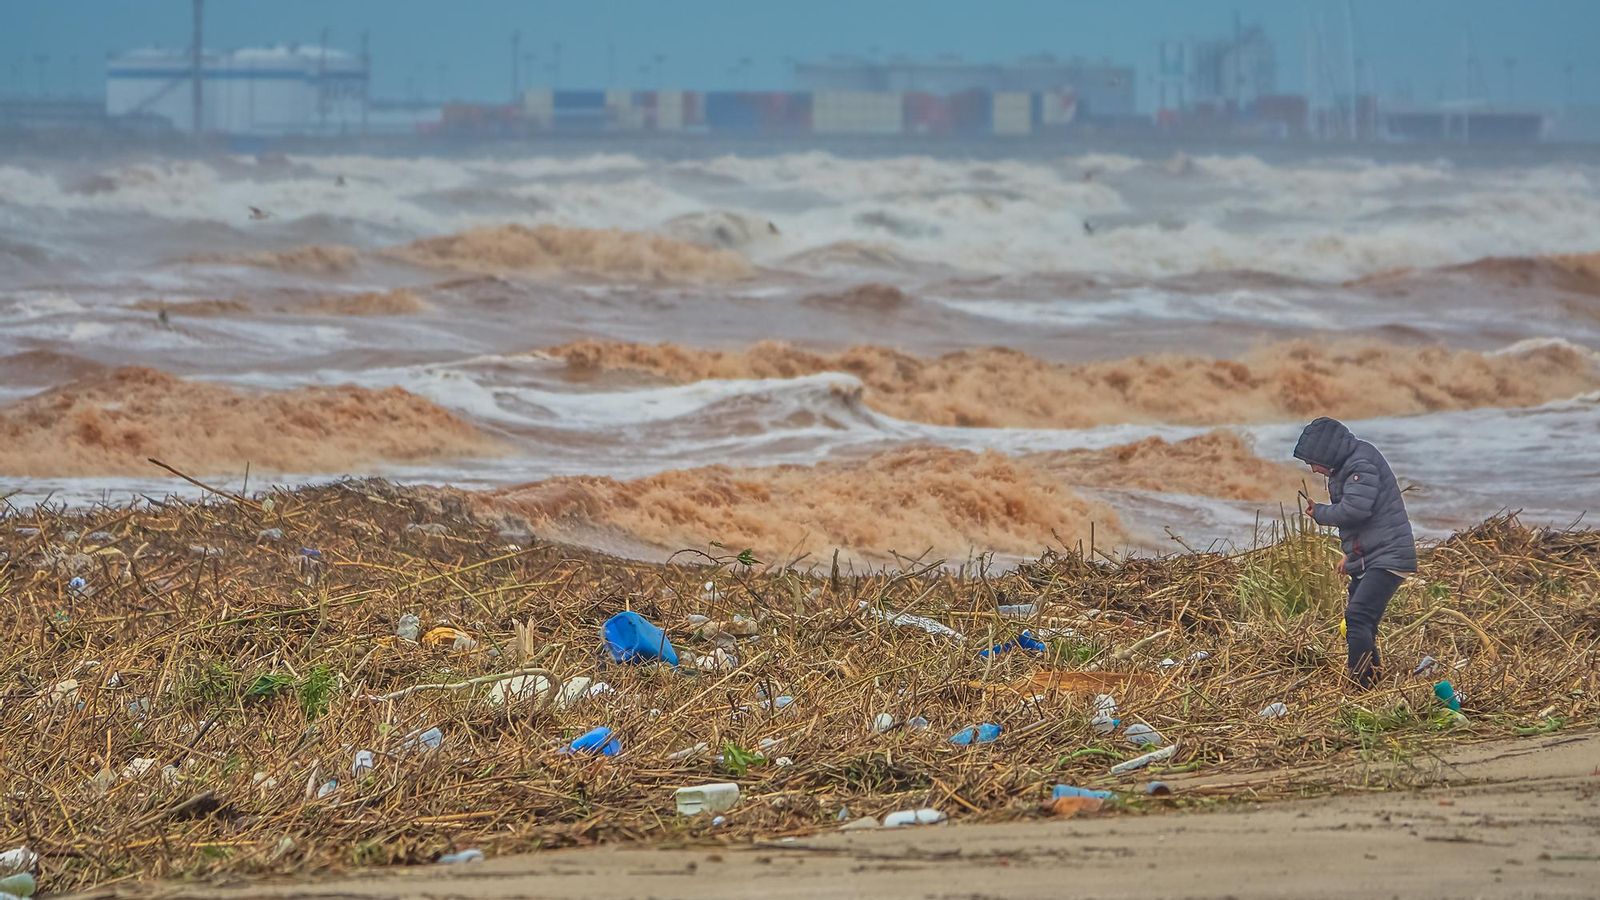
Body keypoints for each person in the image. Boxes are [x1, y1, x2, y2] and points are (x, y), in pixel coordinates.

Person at [1293, 417, 1417, 688]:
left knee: (1358, 617)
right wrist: (1351, 556)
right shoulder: (1350, 464)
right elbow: (1368, 522)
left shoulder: (1360, 465)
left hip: (1390, 556)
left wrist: (1321, 513)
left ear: (1326, 454)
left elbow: (1356, 510)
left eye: (1312, 462)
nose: (1313, 469)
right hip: (1374, 555)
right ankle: (1371, 679)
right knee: (1362, 620)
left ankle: (1361, 683)